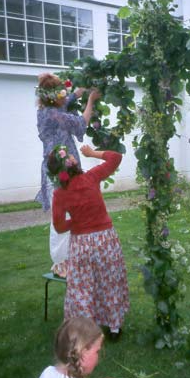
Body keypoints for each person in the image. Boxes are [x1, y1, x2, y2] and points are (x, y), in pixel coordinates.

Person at [50, 144, 129, 340]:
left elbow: (59, 227)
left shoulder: (59, 194)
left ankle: (86, 332)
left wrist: (75, 221)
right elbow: (116, 157)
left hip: (81, 244)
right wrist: (92, 153)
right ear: (71, 163)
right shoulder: (91, 177)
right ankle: (114, 328)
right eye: (71, 155)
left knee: (82, 287)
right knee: (110, 281)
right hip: (105, 240)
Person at [35, 73, 100, 277]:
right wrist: (90, 100)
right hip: (61, 170)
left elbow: (61, 107)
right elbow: (81, 123)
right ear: (56, 95)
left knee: (64, 212)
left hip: (57, 167)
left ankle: (67, 260)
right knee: (63, 215)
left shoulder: (46, 110)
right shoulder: (54, 114)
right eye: (63, 91)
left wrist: (76, 95)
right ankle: (61, 263)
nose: (66, 94)